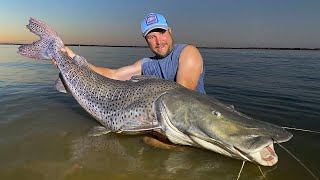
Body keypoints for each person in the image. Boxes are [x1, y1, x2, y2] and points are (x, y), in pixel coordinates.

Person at [56, 13, 206, 94]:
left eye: (161, 33)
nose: (159, 41)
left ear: (170, 31)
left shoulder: (187, 53)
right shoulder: (146, 64)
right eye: (152, 37)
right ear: (146, 40)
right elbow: (113, 74)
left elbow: (182, 98)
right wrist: (73, 58)